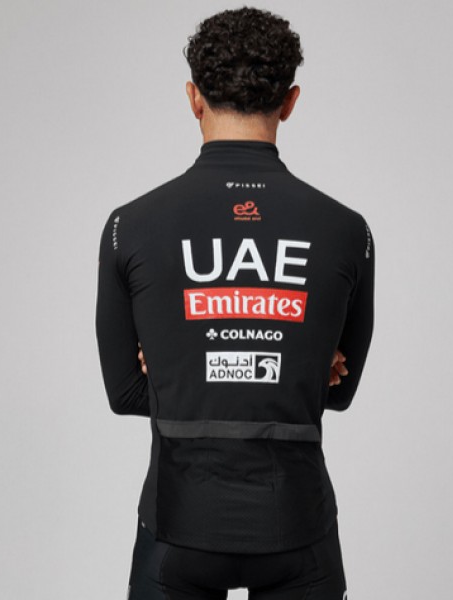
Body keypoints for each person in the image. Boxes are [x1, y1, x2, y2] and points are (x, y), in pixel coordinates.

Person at [95, 6, 374, 599]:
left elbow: (125, 393)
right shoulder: (347, 230)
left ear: (193, 98)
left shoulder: (130, 225)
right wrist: (293, 365)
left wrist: (182, 369)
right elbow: (337, 390)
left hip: (177, 528)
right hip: (298, 527)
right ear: (290, 102)